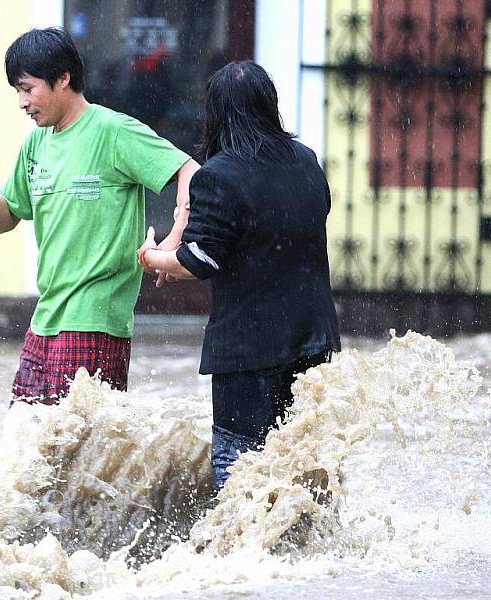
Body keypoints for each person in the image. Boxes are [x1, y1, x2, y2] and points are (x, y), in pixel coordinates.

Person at [0, 27, 200, 404]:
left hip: (95, 320)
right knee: (27, 443)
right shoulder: (36, 143)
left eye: (28, 89)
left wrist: (175, 241)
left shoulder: (114, 131)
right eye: (17, 92)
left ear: (63, 79)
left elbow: (190, 172)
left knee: (79, 445)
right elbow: (7, 218)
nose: (22, 102)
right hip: (46, 318)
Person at [138, 61, 341, 491]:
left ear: (216, 114)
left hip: (249, 347)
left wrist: (153, 258)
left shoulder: (219, 175)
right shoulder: (305, 161)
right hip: (313, 337)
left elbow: (200, 261)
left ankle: (242, 553)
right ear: (270, 106)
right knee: (306, 461)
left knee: (240, 470)